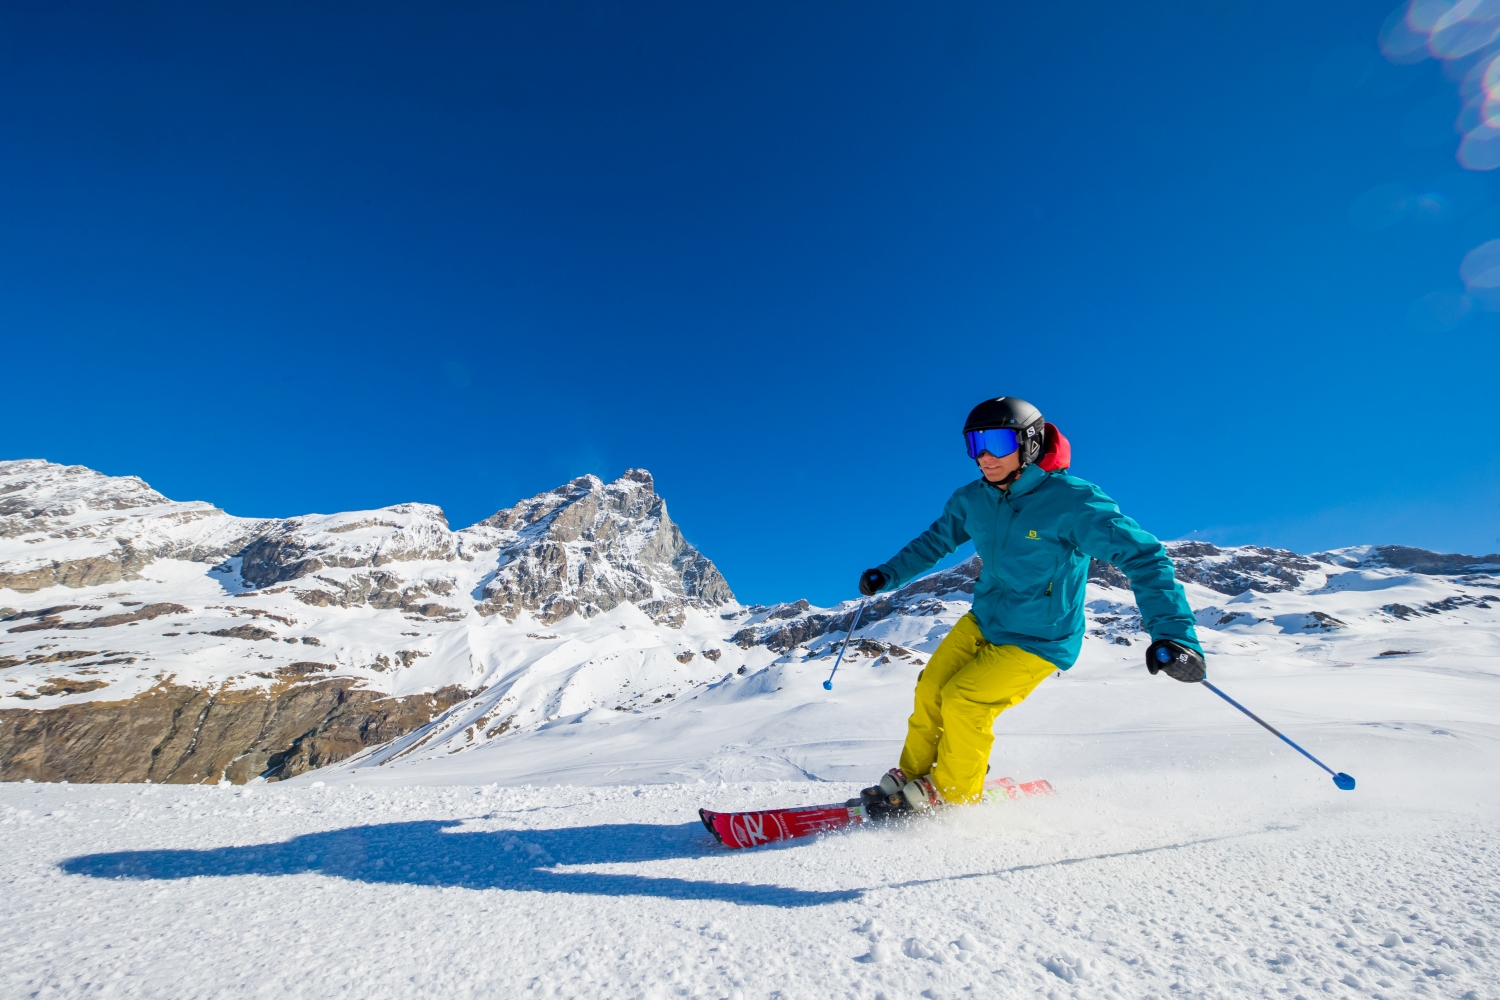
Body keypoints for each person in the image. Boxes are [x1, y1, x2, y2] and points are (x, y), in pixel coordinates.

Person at [857, 396, 1206, 816]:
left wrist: (1173, 634)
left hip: (1041, 635)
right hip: (986, 620)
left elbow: (1145, 557)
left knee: (965, 699)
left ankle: (953, 795)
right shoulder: (972, 499)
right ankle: (913, 776)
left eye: (998, 443)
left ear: (1031, 443)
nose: (985, 457)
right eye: (975, 445)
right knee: (932, 688)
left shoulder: (1072, 501)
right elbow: (936, 541)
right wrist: (889, 573)